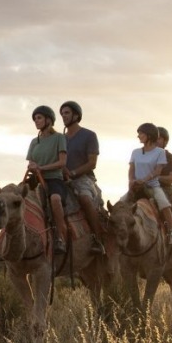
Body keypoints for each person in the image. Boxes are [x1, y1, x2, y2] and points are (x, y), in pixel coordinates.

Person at [60, 101, 108, 255]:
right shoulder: (59, 138)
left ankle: (97, 238)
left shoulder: (89, 135)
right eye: (62, 113)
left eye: (66, 113)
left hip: (83, 178)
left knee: (85, 199)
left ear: (76, 115)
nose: (63, 116)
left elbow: (92, 163)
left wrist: (72, 173)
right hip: (60, 177)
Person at [26, 105, 70, 256]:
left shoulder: (59, 138)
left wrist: (41, 168)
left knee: (56, 199)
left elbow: (62, 162)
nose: (36, 121)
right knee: (14, 197)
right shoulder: (34, 141)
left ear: (49, 120)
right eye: (35, 119)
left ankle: (60, 237)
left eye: (39, 118)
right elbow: (30, 163)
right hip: (35, 179)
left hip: (54, 179)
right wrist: (32, 167)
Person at [128, 123, 172, 246]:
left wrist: (154, 178)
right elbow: (132, 171)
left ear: (165, 141)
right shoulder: (140, 154)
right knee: (123, 204)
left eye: (159, 138)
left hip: (165, 188)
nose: (156, 141)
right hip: (141, 187)